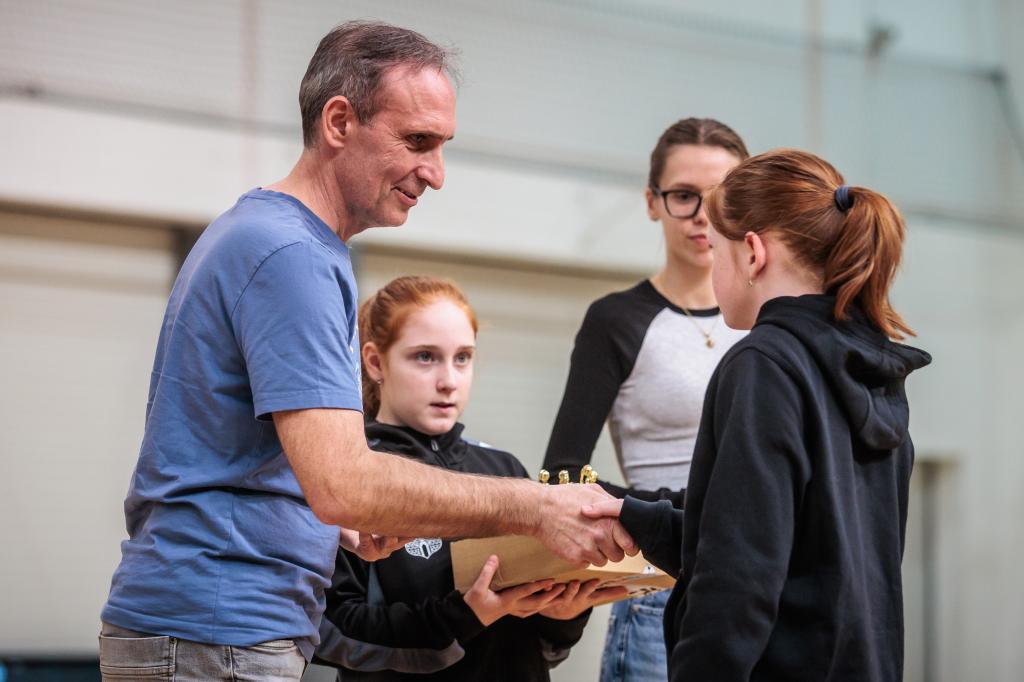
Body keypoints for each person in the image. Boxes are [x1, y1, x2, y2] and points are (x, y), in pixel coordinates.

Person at [98, 21, 633, 681]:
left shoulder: (271, 237)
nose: (435, 173)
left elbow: (265, 464)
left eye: (443, 147)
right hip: (217, 628)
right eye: (417, 141)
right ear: (339, 122)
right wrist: (534, 506)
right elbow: (343, 483)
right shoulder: (290, 253)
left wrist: (333, 526)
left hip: (217, 627)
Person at [582, 148, 932, 681]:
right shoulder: (871, 371)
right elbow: (795, 548)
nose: (713, 269)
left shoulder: (764, 364)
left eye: (716, 251)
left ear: (752, 253)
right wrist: (637, 517)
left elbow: (738, 577)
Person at [314, 276, 628, 680]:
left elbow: (543, 646)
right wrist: (465, 615)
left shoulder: (505, 470)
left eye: (462, 357)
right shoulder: (350, 473)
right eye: (425, 357)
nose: (448, 380)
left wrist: (563, 615)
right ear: (375, 362)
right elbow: (332, 632)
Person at [542, 117, 749, 682]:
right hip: (662, 587)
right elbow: (561, 475)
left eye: (721, 196)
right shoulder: (616, 320)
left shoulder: (772, 321)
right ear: (653, 202)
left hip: (763, 582)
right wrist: (681, 516)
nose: (703, 215)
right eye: (684, 196)